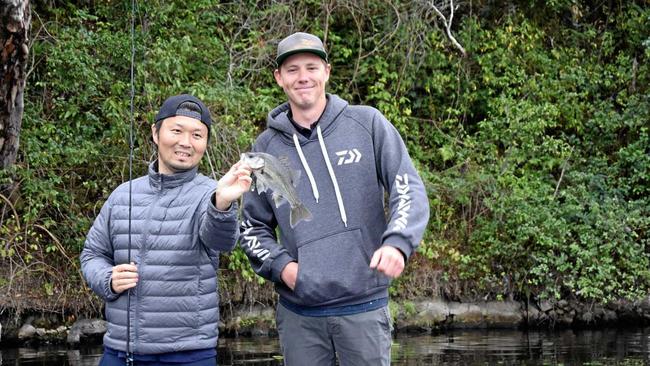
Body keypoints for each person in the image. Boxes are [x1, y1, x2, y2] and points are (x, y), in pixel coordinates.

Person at [240, 32, 430, 365]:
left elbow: (407, 186)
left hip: (364, 306)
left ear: (327, 71)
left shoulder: (367, 123)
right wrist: (283, 269)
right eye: (293, 69)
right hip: (300, 315)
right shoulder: (264, 149)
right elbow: (252, 227)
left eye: (311, 67)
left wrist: (397, 242)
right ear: (279, 78)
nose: (303, 77)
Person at [80, 94, 252, 366]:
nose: (186, 142)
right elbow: (92, 254)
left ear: (205, 143)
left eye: (197, 134)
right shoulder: (122, 195)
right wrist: (107, 279)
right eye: (176, 131)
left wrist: (222, 202)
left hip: (190, 354)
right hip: (119, 352)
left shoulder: (211, 192)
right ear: (156, 133)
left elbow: (221, 242)